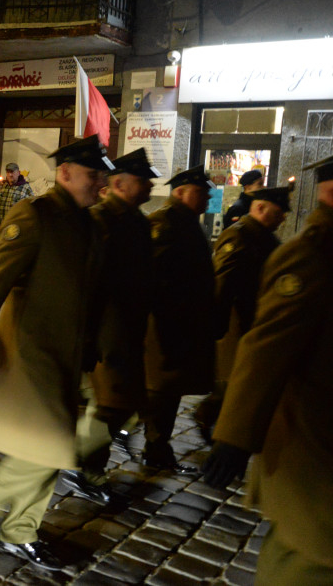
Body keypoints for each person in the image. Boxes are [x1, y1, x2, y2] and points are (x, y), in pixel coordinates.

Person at [0, 136, 111, 571]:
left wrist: (90, 342)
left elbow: (89, 291)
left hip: (67, 356)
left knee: (49, 449)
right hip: (30, 353)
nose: (101, 184)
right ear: (66, 173)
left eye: (103, 176)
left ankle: (19, 528)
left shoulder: (89, 224)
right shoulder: (34, 216)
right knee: (50, 448)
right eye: (94, 175)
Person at [203, 155, 333, 586]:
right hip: (311, 436)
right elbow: (267, 348)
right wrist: (234, 436)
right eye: (274, 211)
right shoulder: (310, 255)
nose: (278, 218)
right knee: (309, 552)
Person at [67, 148, 159, 504]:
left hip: (129, 330)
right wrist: (93, 335)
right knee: (110, 404)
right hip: (106, 333)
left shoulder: (136, 220)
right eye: (143, 180)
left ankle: (86, 461)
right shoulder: (102, 220)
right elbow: (91, 281)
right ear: (119, 183)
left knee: (117, 404)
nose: (150, 186)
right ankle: (84, 466)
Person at [195, 185, 291, 439]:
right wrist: (217, 324)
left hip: (254, 319)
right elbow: (223, 282)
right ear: (259, 207)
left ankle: (215, 420)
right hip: (237, 322)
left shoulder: (265, 236)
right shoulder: (239, 235)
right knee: (235, 381)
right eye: (279, 212)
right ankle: (211, 421)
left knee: (241, 380)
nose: (283, 218)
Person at [141, 165, 217, 472]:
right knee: (160, 389)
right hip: (164, 324)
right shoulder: (165, 223)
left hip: (182, 323)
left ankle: (158, 447)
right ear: (179, 192)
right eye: (201, 192)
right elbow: (155, 277)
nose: (207, 198)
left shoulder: (187, 223)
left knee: (168, 389)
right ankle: (154, 448)